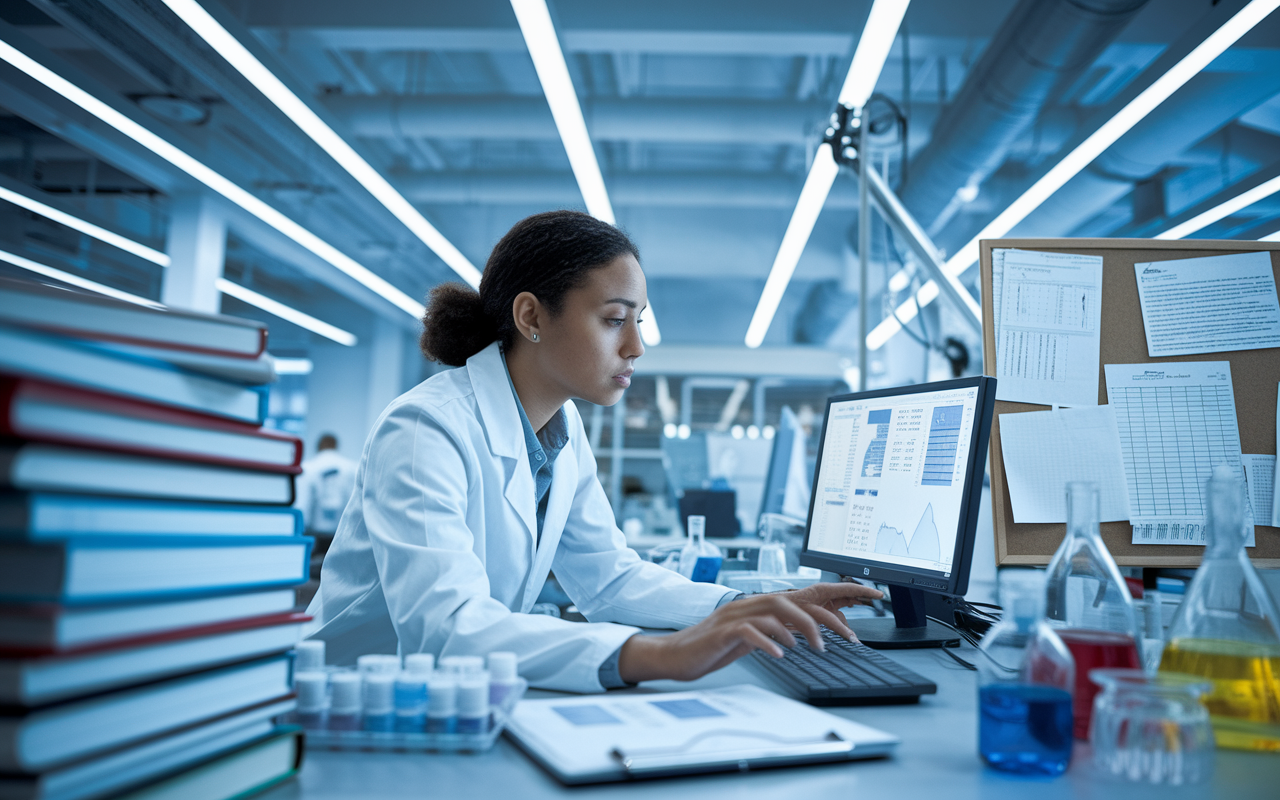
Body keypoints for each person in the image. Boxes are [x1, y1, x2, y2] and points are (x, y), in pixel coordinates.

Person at [305, 210, 881, 692]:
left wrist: (742, 604)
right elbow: (447, 629)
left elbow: (609, 579)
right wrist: (663, 656)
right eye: (614, 320)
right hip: (346, 702)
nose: (636, 346)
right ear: (531, 316)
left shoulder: (561, 427)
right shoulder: (425, 428)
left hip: (448, 701)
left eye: (639, 322)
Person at [295, 434, 357, 535]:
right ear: (336, 445)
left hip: (314, 533)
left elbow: (303, 503)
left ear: (318, 446)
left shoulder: (307, 467)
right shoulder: (352, 468)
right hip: (342, 533)